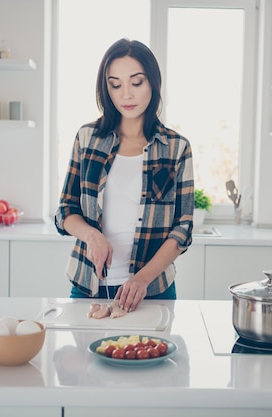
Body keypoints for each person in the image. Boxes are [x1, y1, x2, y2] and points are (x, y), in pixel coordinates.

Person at [55, 38, 194, 313]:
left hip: (152, 291)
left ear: (153, 83)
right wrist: (92, 236)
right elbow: (66, 210)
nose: (126, 95)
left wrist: (141, 279)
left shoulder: (177, 147)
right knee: (87, 356)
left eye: (136, 82)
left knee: (148, 355)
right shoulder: (87, 138)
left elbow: (183, 227)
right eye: (115, 84)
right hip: (88, 287)